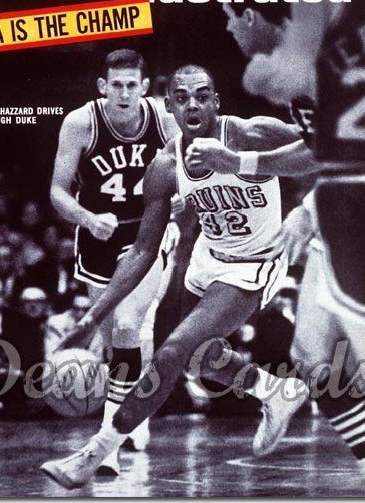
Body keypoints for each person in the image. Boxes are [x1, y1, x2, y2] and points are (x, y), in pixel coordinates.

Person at [40, 64, 309, 489]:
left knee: (172, 351)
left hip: (257, 261)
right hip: (207, 257)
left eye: (202, 95)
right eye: (181, 98)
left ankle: (95, 453)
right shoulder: (165, 165)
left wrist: (302, 209)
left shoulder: (248, 133)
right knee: (199, 358)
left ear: (216, 101)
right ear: (170, 107)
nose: (193, 105)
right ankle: (275, 391)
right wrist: (92, 318)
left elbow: (322, 149)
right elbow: (142, 251)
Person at [218, 0, 365, 495]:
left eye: (230, 18)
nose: (229, 30)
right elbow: (318, 147)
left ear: (249, 15)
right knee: (311, 356)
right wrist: (244, 162)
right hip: (344, 206)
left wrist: (306, 209)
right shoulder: (309, 55)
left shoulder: (320, 45)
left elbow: (360, 147)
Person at [49, 48, 179, 472]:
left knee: (128, 323)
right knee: (115, 342)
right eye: (116, 85)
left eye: (131, 85)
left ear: (145, 87)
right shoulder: (80, 123)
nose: (124, 94)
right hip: (97, 237)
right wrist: (88, 218)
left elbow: (193, 172)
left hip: (148, 233)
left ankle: (107, 445)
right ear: (102, 87)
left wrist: (183, 199)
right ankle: (133, 411)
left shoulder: (163, 119)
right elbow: (57, 192)